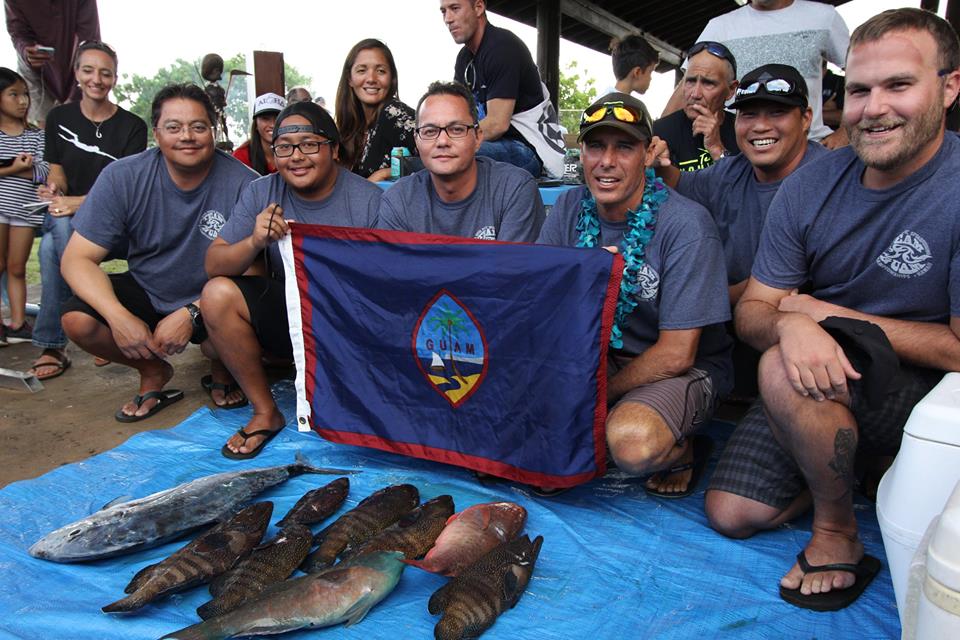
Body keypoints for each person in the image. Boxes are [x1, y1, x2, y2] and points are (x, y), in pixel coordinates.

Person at [705, 8, 960, 611]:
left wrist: (819, 315)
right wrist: (790, 323)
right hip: (831, 382)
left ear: (948, 87)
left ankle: (837, 530)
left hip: (930, 390)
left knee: (776, 368)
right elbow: (756, 311)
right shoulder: (810, 186)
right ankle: (855, 470)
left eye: (899, 85)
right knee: (730, 512)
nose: (875, 107)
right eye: (860, 90)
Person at [537, 92, 732, 497]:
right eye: (595, 146)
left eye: (624, 147)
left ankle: (684, 445)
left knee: (631, 443)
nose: (606, 161)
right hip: (595, 361)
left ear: (648, 154)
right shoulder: (569, 208)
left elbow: (678, 353)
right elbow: (543, 309)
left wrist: (595, 398)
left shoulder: (686, 224)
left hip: (680, 366)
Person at [60, 83, 257, 422]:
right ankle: (152, 370)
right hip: (150, 284)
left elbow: (257, 271)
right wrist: (119, 318)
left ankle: (221, 367)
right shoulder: (122, 177)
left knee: (222, 331)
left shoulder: (245, 183)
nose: (187, 136)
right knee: (79, 321)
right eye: (174, 127)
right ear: (156, 132)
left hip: (214, 293)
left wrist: (193, 313)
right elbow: (76, 259)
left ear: (213, 130)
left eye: (198, 127)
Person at [203, 101, 382, 459]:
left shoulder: (368, 200)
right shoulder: (261, 192)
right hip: (289, 315)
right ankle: (266, 411)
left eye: (309, 144)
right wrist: (255, 240)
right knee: (217, 295)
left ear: (332, 148)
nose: (296, 157)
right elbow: (214, 263)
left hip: (350, 326)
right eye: (284, 148)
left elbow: (385, 286)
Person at [655, 63, 827, 305]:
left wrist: (700, 298)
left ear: (806, 118)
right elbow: (679, 182)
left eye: (777, 112)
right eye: (748, 114)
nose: (760, 126)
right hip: (732, 320)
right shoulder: (732, 171)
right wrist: (656, 161)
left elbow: (778, 286)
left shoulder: (828, 181)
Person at [29, 40, 147, 381]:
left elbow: (125, 189)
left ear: (115, 78)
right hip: (70, 216)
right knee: (59, 235)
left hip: (119, 223)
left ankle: (58, 341)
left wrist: (76, 203)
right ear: (76, 74)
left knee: (58, 239)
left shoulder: (132, 126)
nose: (97, 79)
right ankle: (100, 320)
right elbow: (58, 172)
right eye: (89, 70)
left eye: (105, 72)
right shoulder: (58, 118)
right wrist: (54, 190)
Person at [377, 81, 544, 242]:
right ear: (417, 140)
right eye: (430, 131)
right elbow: (394, 270)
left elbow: (513, 269)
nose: (442, 141)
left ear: (478, 137)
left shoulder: (514, 189)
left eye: (456, 129)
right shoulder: (398, 200)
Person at [691, 0, 849, 148]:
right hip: (738, 151)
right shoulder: (719, 27)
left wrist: (845, 132)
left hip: (809, 150)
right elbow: (687, 85)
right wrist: (665, 133)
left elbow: (865, 74)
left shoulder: (824, 17)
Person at [442, 0, 565, 178]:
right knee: (438, 152)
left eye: (454, 9)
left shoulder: (502, 46)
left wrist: (451, 140)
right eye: (443, 12)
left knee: (458, 155)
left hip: (530, 148)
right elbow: (457, 114)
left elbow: (497, 125)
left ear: (478, 7)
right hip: (492, 143)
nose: (448, 18)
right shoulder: (464, 59)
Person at [0, 67, 48, 347]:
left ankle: (18, 323)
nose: (22, 101)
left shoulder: (35, 136)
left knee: (17, 267)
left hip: (24, 211)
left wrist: (19, 169)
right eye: (13, 94)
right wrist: (14, 168)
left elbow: (44, 169)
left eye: (25, 94)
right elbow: (28, 168)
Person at [4, 0, 100, 126]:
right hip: (34, 69)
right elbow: (18, 32)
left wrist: (76, 94)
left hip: (78, 66)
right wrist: (26, 51)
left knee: (83, 126)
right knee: (47, 132)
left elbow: (89, 41)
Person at [335, 38, 416, 182]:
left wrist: (384, 174)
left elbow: (435, 165)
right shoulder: (353, 128)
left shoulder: (395, 114)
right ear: (349, 79)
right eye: (362, 70)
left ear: (392, 78)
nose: (371, 78)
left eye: (381, 71)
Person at [652, 41, 739, 172]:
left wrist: (717, 149)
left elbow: (748, 189)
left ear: (731, 90)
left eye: (708, 83)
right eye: (690, 81)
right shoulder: (659, 131)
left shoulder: (744, 131)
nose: (695, 94)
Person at [233, 92, 285, 176]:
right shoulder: (242, 155)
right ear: (256, 124)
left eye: (277, 118)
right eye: (265, 119)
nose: (272, 124)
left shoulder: (297, 153)